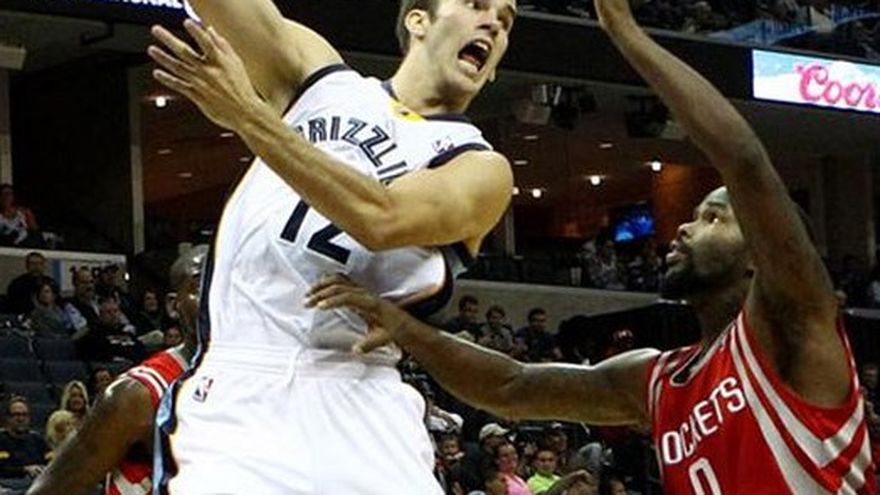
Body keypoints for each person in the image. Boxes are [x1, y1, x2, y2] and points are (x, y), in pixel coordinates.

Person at [305, 0, 877, 490]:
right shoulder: (658, 380)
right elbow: (510, 385)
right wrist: (405, 328)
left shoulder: (797, 323)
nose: (683, 228)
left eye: (713, 218)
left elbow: (745, 161)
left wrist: (625, 33)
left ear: (760, 258)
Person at [147, 0, 516, 492]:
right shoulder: (318, 78)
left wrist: (249, 117)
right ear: (418, 20)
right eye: (476, 4)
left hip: (361, 400)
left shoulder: (480, 166)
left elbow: (380, 217)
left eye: (506, 21)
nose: (493, 22)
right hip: (241, 396)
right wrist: (255, 115)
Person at [26, 245, 206, 495]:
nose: (217, 300)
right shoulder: (137, 395)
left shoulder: (255, 386)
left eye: (228, 289)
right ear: (173, 305)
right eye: (201, 288)